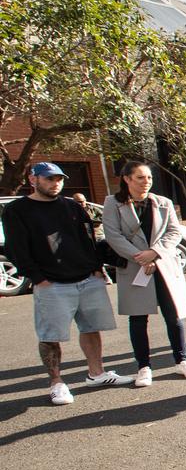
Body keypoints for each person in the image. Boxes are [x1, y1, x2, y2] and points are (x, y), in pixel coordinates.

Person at [2, 162, 132, 404]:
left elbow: (88, 237)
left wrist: (96, 267)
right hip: (51, 283)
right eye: (49, 179)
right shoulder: (18, 210)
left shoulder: (71, 206)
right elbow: (15, 248)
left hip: (87, 278)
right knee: (50, 335)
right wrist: (37, 278)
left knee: (92, 328)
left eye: (59, 179)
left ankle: (97, 373)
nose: (55, 183)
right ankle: (56, 383)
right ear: (33, 180)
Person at [102, 161, 186, 387]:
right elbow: (113, 236)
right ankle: (143, 367)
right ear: (126, 179)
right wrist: (140, 256)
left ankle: (181, 360)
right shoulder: (112, 203)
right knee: (138, 318)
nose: (146, 182)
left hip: (163, 264)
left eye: (149, 178)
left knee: (173, 315)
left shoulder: (162, 202)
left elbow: (174, 232)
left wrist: (154, 253)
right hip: (135, 266)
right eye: (140, 178)